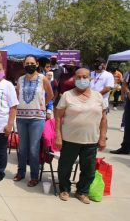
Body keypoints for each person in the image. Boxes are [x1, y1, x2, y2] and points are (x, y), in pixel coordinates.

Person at [55, 68, 107, 204]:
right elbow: (58, 117)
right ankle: (64, 189)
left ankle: (82, 192)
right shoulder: (67, 95)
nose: (82, 79)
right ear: (74, 79)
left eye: (85, 77)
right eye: (79, 77)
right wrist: (58, 136)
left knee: (88, 169)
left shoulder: (98, 96)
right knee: (65, 167)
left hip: (91, 140)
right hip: (69, 139)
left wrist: (102, 137)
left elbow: (103, 119)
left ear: (90, 78)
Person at [14, 55, 53, 187]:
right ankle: (21, 172)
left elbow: (51, 95)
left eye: (32, 63)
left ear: (37, 64)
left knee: (33, 148)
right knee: (22, 148)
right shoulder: (20, 79)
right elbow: (17, 95)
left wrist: (43, 105)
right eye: (27, 63)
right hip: (21, 117)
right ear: (24, 64)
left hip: (37, 118)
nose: (29, 65)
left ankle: (34, 176)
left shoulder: (43, 78)